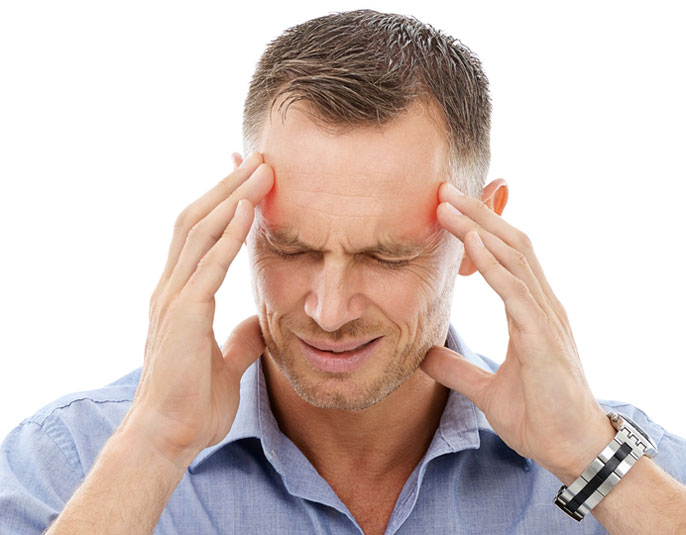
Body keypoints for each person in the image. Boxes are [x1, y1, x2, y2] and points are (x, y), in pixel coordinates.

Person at [2, 8, 685, 535]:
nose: (329, 311)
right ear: (238, 211)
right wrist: (152, 448)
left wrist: (590, 458)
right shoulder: (68, 461)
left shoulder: (637, 472)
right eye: (291, 248)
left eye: (386, 256)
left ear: (480, 230)